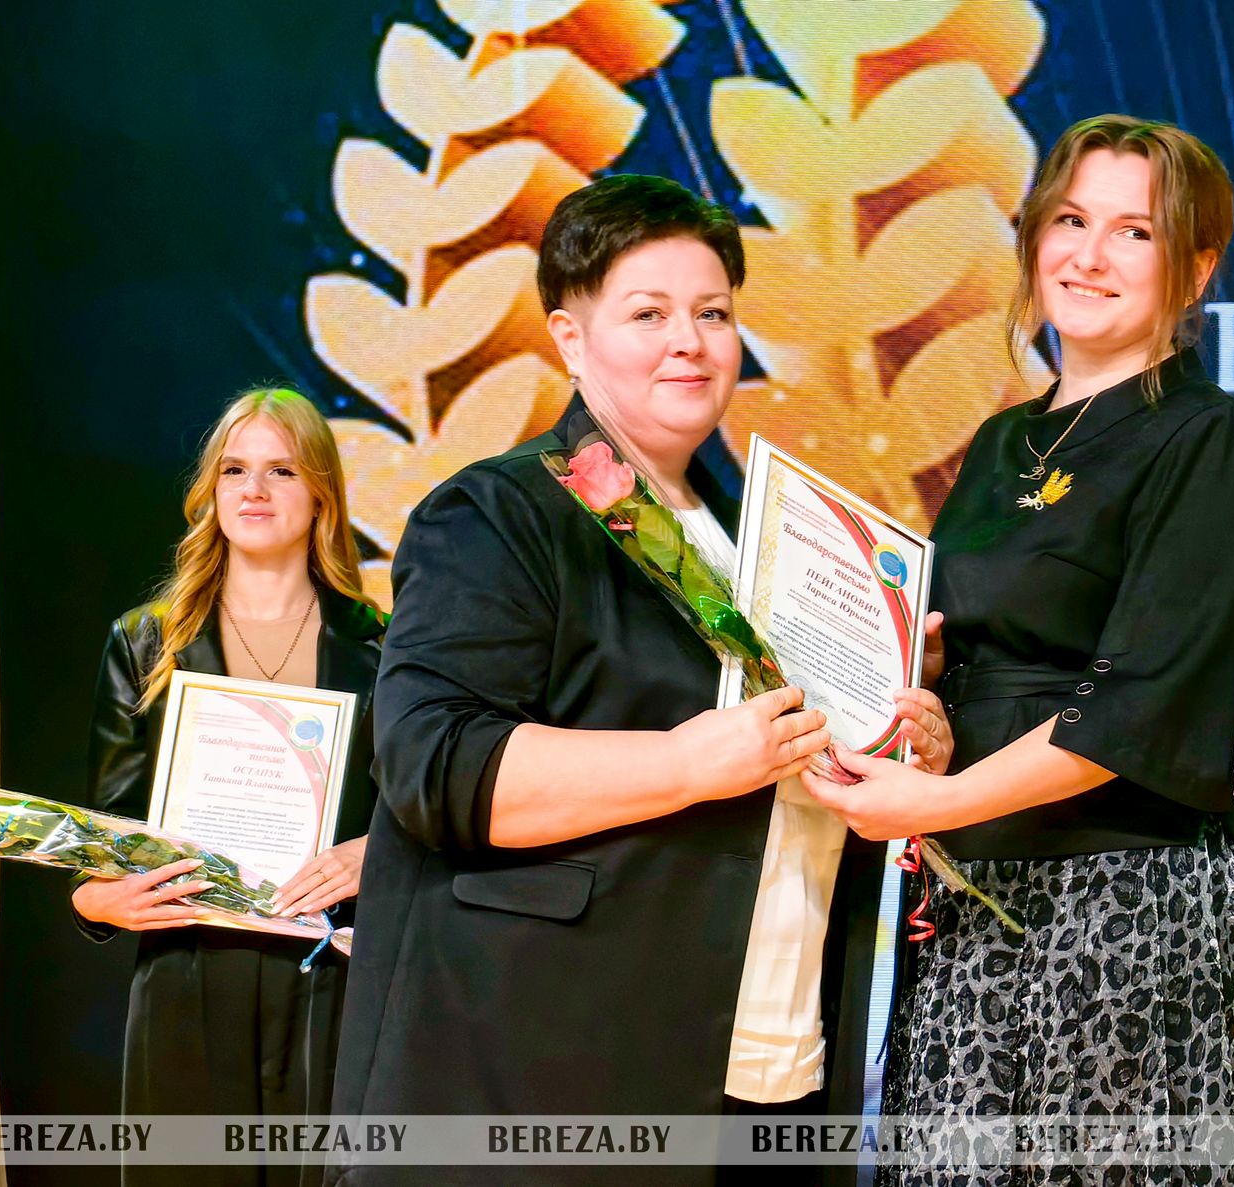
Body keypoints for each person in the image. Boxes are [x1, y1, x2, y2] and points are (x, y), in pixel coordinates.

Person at [329, 174, 953, 1187]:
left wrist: (895, 723)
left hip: (773, 1066)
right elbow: (432, 765)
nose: (689, 342)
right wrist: (681, 762)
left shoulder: (774, 546)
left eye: (713, 314)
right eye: (648, 314)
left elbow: (805, 771)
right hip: (563, 1078)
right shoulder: (498, 514)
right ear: (570, 339)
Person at [804, 116, 1234, 1186]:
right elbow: (989, 665)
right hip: (977, 896)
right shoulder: (1004, 441)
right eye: (1071, 221)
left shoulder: (1205, 438)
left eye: (1135, 231)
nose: (1089, 255)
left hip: (1128, 908)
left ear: (1195, 269)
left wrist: (935, 801)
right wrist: (923, 701)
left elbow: (1137, 707)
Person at [74, 388, 386, 1185]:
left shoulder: (383, 646)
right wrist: (98, 902)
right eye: (234, 469)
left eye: (281, 470)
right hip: (187, 970)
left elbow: (417, 811)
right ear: (210, 491)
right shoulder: (146, 641)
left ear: (321, 493)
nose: (254, 489)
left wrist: (373, 853)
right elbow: (108, 834)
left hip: (331, 977)